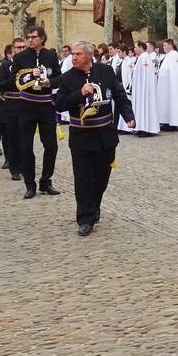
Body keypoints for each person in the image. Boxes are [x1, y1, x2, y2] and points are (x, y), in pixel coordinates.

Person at [54, 40, 135, 236]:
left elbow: (119, 95)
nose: (73, 57)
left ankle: (94, 205)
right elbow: (59, 104)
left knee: (101, 178)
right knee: (83, 179)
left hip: (105, 135)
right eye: (72, 54)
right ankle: (85, 218)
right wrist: (80, 93)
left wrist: (128, 115)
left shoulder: (105, 72)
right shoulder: (66, 78)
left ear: (90, 56)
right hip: (81, 136)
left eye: (78, 54)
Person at [10, 25, 62, 200]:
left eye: (33, 37)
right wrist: (30, 76)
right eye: (28, 37)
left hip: (45, 105)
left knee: (51, 146)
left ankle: (46, 181)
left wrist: (49, 82)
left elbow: (59, 78)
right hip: (26, 106)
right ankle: (30, 184)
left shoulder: (51, 55)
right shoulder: (20, 57)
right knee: (26, 146)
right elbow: (14, 80)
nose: (30, 39)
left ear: (42, 38)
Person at [0, 39, 24, 180]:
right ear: (12, 50)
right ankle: (15, 168)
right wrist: (15, 78)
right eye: (18, 47)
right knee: (13, 138)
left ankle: (26, 166)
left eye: (23, 47)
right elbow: (0, 85)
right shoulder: (6, 65)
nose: (21, 49)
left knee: (25, 139)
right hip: (12, 105)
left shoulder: (30, 65)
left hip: (27, 105)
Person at [156, 40, 178, 133]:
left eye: (165, 45)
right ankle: (166, 121)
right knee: (165, 103)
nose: (163, 47)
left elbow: (174, 71)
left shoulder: (174, 55)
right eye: (163, 45)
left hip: (171, 86)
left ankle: (172, 122)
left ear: (171, 45)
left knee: (171, 102)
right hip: (165, 85)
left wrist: (162, 72)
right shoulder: (168, 56)